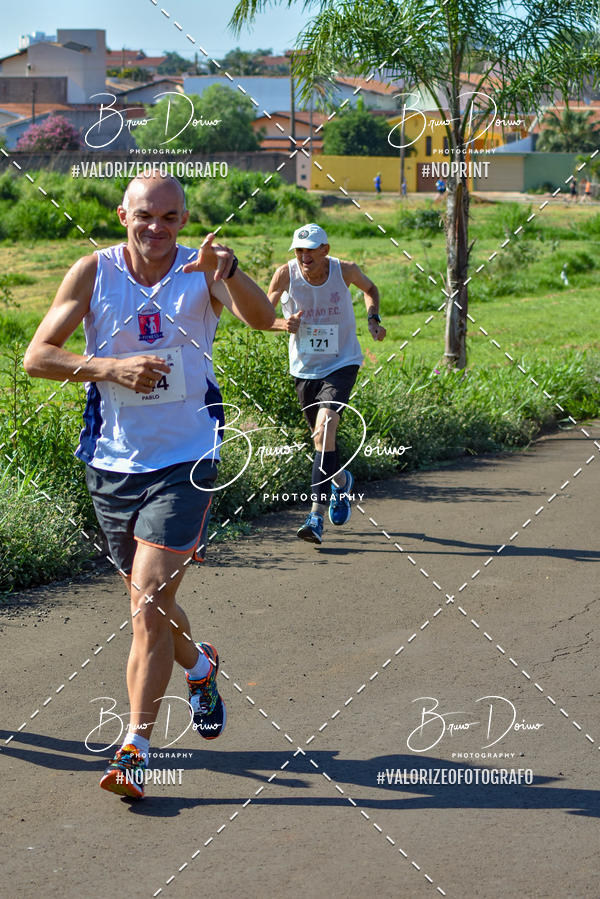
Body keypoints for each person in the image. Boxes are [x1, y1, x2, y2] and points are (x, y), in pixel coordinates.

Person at [23, 173, 275, 799]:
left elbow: (264, 318)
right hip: (111, 461)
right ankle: (201, 665)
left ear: (184, 221)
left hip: (187, 459)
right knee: (150, 603)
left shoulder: (204, 268)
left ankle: (134, 744)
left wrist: (232, 269)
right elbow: (37, 357)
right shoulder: (92, 272)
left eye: (169, 217)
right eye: (145, 216)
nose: (156, 228)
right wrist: (111, 367)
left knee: (148, 600)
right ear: (122, 215)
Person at [266, 223, 386, 545]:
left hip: (342, 361)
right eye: (299, 250)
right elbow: (262, 313)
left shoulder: (344, 270)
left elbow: (370, 289)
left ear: (325, 250)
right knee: (320, 440)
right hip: (304, 368)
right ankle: (341, 480)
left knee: (324, 427)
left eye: (311, 249)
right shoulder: (284, 274)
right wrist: (281, 324)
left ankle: (314, 516)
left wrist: (373, 319)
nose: (304, 255)